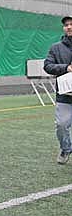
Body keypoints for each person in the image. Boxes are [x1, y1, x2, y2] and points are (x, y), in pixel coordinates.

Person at [44, 15, 72, 165]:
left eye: (71, 24)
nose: (68, 27)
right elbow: (47, 66)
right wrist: (66, 68)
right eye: (66, 25)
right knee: (61, 125)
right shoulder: (56, 48)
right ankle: (66, 149)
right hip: (65, 96)